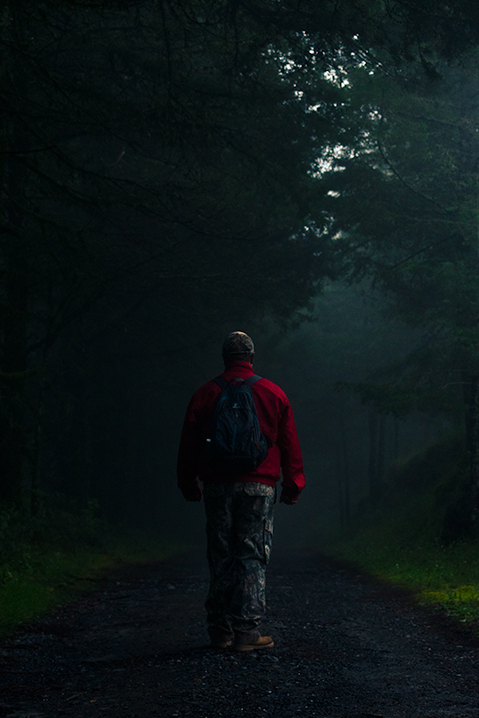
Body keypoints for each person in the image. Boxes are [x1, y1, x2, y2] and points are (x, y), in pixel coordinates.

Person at [177, 331, 305, 651]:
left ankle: (220, 632)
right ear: (251, 358)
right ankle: (247, 633)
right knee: (251, 556)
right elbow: (289, 443)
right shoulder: (273, 393)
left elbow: (189, 445)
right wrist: (293, 485)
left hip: (217, 487)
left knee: (220, 555)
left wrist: (188, 482)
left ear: (225, 358)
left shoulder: (205, 394)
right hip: (258, 487)